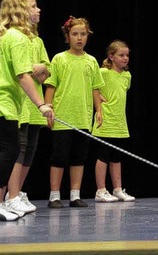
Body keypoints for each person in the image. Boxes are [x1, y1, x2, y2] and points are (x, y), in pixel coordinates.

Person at [0, 0, 54, 221]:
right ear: (20, 11)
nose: (38, 10)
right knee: (10, 149)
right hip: (0, 97)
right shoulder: (17, 38)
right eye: (33, 6)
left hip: (2, 97)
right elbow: (24, 76)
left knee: (10, 148)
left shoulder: (13, 36)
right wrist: (42, 105)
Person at [44, 16, 104, 209]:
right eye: (75, 34)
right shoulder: (59, 59)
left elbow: (96, 88)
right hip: (62, 117)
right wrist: (48, 108)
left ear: (88, 36)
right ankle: (54, 195)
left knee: (79, 157)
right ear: (67, 36)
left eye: (83, 34)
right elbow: (51, 86)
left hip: (83, 118)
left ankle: (74, 194)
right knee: (59, 156)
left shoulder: (92, 61)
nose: (79, 38)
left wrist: (99, 110)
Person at [4, 10, 51, 215]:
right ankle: (10, 195)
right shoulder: (13, 38)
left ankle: (17, 192)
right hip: (19, 104)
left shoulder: (38, 41)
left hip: (34, 105)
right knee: (18, 150)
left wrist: (35, 69)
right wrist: (33, 68)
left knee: (29, 151)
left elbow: (46, 71)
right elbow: (20, 71)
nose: (38, 10)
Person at [92, 40, 135, 203]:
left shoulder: (127, 75)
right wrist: (97, 98)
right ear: (111, 56)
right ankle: (101, 190)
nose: (125, 58)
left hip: (119, 122)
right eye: (121, 55)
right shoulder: (102, 72)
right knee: (103, 156)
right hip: (105, 120)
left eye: (127, 55)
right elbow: (91, 87)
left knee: (116, 157)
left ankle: (117, 189)